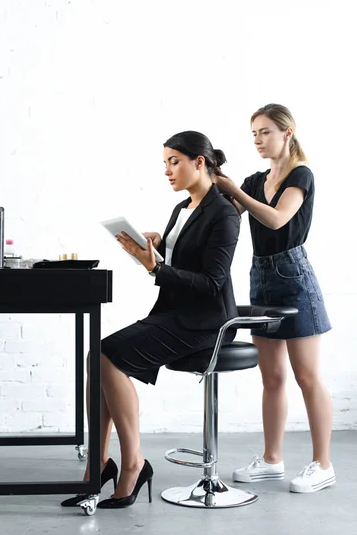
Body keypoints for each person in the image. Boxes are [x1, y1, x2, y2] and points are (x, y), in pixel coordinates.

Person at [61, 130, 240, 509]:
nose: (167, 171)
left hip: (205, 323)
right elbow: (187, 258)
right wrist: (159, 245)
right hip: (176, 313)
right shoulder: (183, 208)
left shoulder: (224, 212)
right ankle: (99, 461)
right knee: (99, 357)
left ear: (200, 162)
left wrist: (154, 268)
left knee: (107, 357)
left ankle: (133, 464)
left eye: (174, 162)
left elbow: (212, 283)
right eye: (165, 163)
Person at [216, 103, 334, 494]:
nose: (257, 140)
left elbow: (277, 219)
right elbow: (225, 214)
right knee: (273, 378)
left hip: (294, 276)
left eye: (265, 132)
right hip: (261, 275)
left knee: (307, 376)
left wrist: (235, 191)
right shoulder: (254, 180)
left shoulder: (301, 174)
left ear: (287, 133)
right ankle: (272, 459)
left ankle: (322, 464)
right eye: (253, 133)